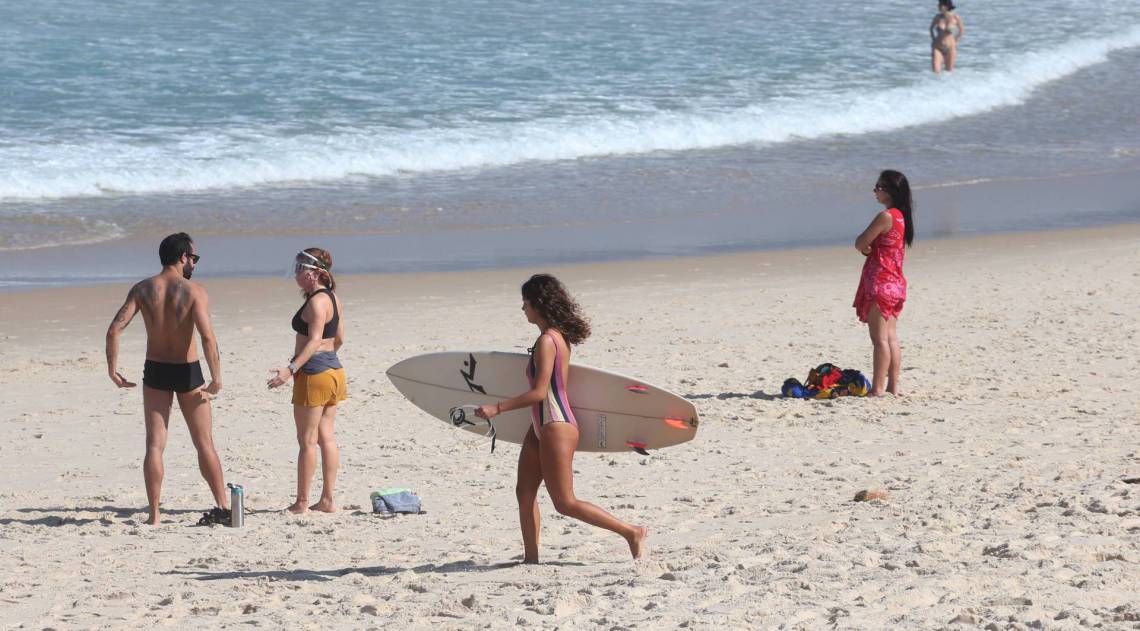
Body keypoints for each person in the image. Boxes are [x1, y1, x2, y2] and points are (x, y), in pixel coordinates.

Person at [475, 274, 647, 563]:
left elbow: (540, 392)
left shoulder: (547, 341)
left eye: (526, 303)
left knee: (565, 502)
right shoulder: (555, 337)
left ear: (538, 304)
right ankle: (531, 559)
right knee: (524, 491)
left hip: (555, 425)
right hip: (540, 426)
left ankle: (631, 531)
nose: (523, 309)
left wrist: (497, 408)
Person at [105, 232, 229, 525]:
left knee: (154, 445)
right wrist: (216, 379)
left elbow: (114, 330)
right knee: (204, 443)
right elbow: (208, 338)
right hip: (188, 371)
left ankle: (154, 515)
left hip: (156, 370)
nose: (194, 264)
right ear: (182, 256)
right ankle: (223, 505)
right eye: (193, 258)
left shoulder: (143, 289)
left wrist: (113, 370)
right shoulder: (194, 291)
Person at [267, 248, 346, 514]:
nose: (297, 274)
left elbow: (313, 340)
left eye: (301, 269)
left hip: (314, 375)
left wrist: (290, 369)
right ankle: (327, 499)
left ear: (315, 273)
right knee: (328, 437)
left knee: (307, 440)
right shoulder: (333, 298)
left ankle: (302, 502)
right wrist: (324, 352)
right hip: (334, 372)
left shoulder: (315, 302)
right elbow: (339, 339)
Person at [854, 170, 915, 396]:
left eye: (878, 187)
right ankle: (893, 387)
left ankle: (878, 388)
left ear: (889, 191)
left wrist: (867, 248)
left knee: (879, 340)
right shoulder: (901, 217)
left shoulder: (885, 216)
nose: (875, 191)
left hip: (880, 280)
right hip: (896, 281)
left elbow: (861, 242)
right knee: (891, 337)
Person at [930, 0, 965, 73]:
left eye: (940, 5)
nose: (938, 7)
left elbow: (961, 30)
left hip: (950, 47)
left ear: (946, 6)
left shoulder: (955, 17)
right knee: (936, 71)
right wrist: (933, 39)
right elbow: (931, 28)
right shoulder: (938, 17)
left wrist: (957, 40)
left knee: (949, 72)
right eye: (938, 5)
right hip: (937, 47)